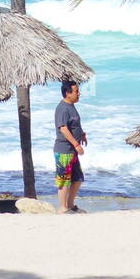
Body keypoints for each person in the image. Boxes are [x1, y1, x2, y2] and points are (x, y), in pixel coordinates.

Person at [54, 80, 87, 214]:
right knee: (64, 180)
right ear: (68, 93)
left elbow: (74, 124)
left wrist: (82, 134)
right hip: (64, 149)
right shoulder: (62, 108)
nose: (79, 93)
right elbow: (63, 128)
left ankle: (70, 204)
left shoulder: (71, 106)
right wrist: (76, 144)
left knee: (78, 178)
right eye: (76, 91)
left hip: (72, 151)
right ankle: (62, 208)